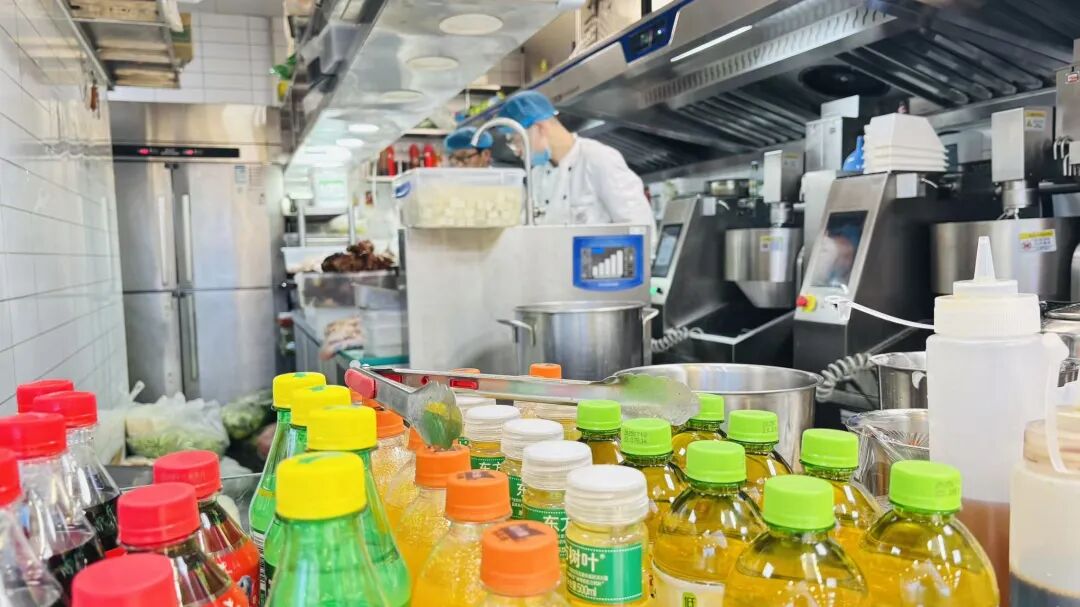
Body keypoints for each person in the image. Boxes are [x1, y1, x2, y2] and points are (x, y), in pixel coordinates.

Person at [498, 91, 654, 237]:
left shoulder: (598, 159)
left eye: (516, 140)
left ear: (539, 128)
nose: (517, 151)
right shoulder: (536, 176)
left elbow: (639, 228)